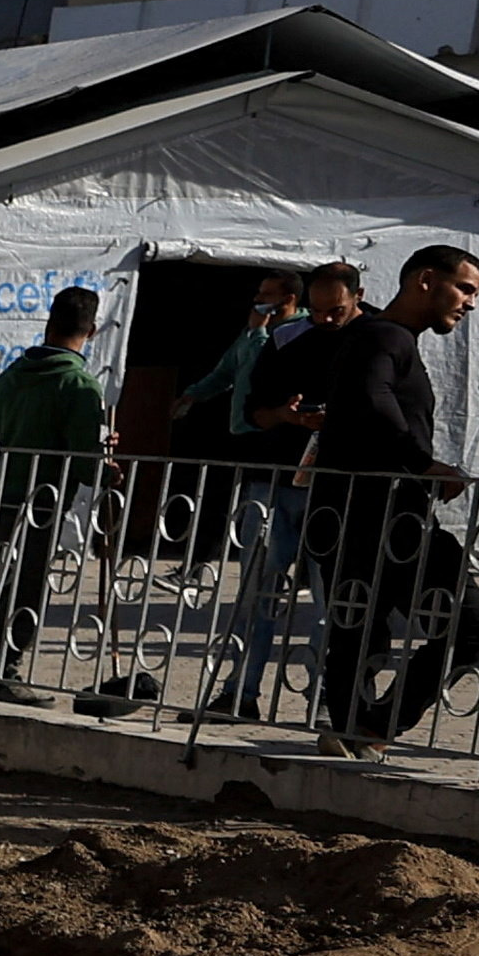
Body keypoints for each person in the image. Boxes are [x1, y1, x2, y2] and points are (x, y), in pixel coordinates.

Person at [261, 244, 479, 749]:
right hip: (382, 516)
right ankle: (372, 726)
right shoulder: (385, 336)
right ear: (426, 279)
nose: (470, 303)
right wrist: (424, 464)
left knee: (358, 628)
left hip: (351, 512)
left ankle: (351, 728)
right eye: (465, 289)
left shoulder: (376, 336)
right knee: (471, 625)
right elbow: (372, 398)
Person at [184, 267, 322, 722]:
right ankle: (239, 691)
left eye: (267, 294)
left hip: (311, 481)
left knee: (327, 599)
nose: (258, 300)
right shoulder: (258, 336)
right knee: (257, 592)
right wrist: (192, 396)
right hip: (262, 470)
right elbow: (234, 380)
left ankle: (327, 701)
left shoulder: (318, 336)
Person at [0, 288, 115, 704]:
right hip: (42, 500)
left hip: (3, 490)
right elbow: (87, 462)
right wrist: (109, 465)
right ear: (91, 331)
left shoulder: (10, 377)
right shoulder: (79, 385)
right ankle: (1, 669)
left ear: (49, 324)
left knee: (6, 584)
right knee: (27, 588)